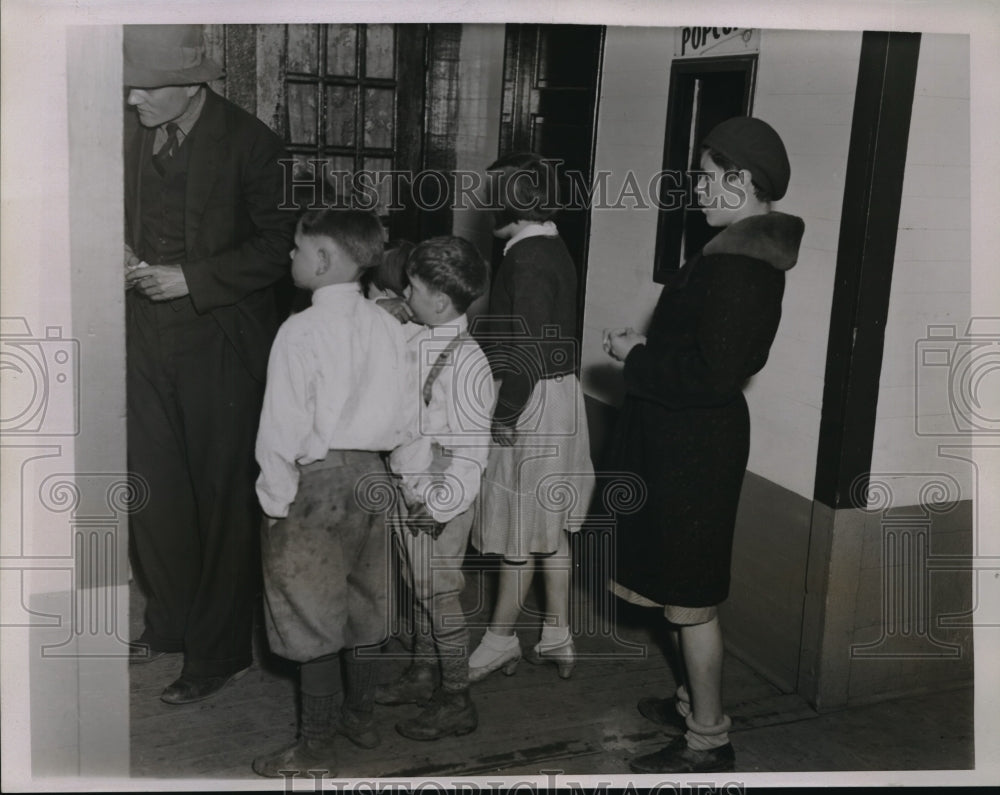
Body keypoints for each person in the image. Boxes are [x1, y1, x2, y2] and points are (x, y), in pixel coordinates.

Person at [602, 116, 805, 774]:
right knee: (676, 586)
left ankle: (708, 740)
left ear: (741, 181)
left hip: (695, 447)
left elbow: (713, 376)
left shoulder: (742, 268)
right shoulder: (733, 253)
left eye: (706, 175)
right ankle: (693, 699)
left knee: (691, 602)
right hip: (683, 440)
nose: (696, 187)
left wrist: (636, 356)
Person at [123, 24, 295, 704]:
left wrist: (193, 278)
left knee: (223, 500)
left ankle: (219, 651)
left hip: (221, 346)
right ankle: (169, 623)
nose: (133, 98)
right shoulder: (131, 132)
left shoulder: (256, 145)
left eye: (144, 88)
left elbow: (281, 245)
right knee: (153, 489)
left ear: (190, 86)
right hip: (142, 337)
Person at [251, 208, 415, 777]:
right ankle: (360, 717)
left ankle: (316, 749)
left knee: (310, 612)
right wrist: (413, 485)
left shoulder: (299, 330)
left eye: (297, 249)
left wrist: (274, 502)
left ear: (322, 260)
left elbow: (280, 426)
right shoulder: (391, 327)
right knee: (367, 604)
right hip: (375, 479)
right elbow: (408, 416)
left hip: (316, 484)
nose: (290, 258)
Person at [468, 153, 595, 682]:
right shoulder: (548, 245)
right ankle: (557, 633)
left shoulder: (527, 258)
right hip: (558, 395)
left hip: (531, 399)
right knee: (549, 527)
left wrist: (505, 411)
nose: (484, 205)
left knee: (519, 528)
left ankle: (500, 640)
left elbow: (529, 348)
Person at [376, 236, 495, 740]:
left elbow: (471, 452)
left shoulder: (467, 364)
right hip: (412, 484)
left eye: (414, 286)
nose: (405, 290)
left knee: (440, 595)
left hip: (440, 495)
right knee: (419, 588)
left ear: (441, 301)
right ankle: (424, 673)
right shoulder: (423, 336)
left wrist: (440, 504)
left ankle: (456, 698)